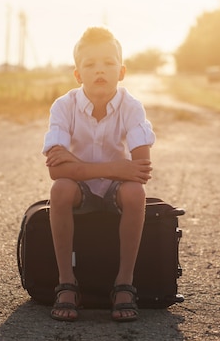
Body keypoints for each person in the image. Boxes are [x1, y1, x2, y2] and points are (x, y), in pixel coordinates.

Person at [42, 26, 156, 322]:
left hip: (117, 189)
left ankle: (124, 284)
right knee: (61, 190)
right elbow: (56, 171)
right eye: (90, 65)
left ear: (122, 71)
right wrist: (116, 167)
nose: (99, 71)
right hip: (79, 189)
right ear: (78, 75)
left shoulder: (132, 107)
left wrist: (76, 162)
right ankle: (67, 283)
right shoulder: (63, 106)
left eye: (108, 63)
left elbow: (140, 170)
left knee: (135, 192)